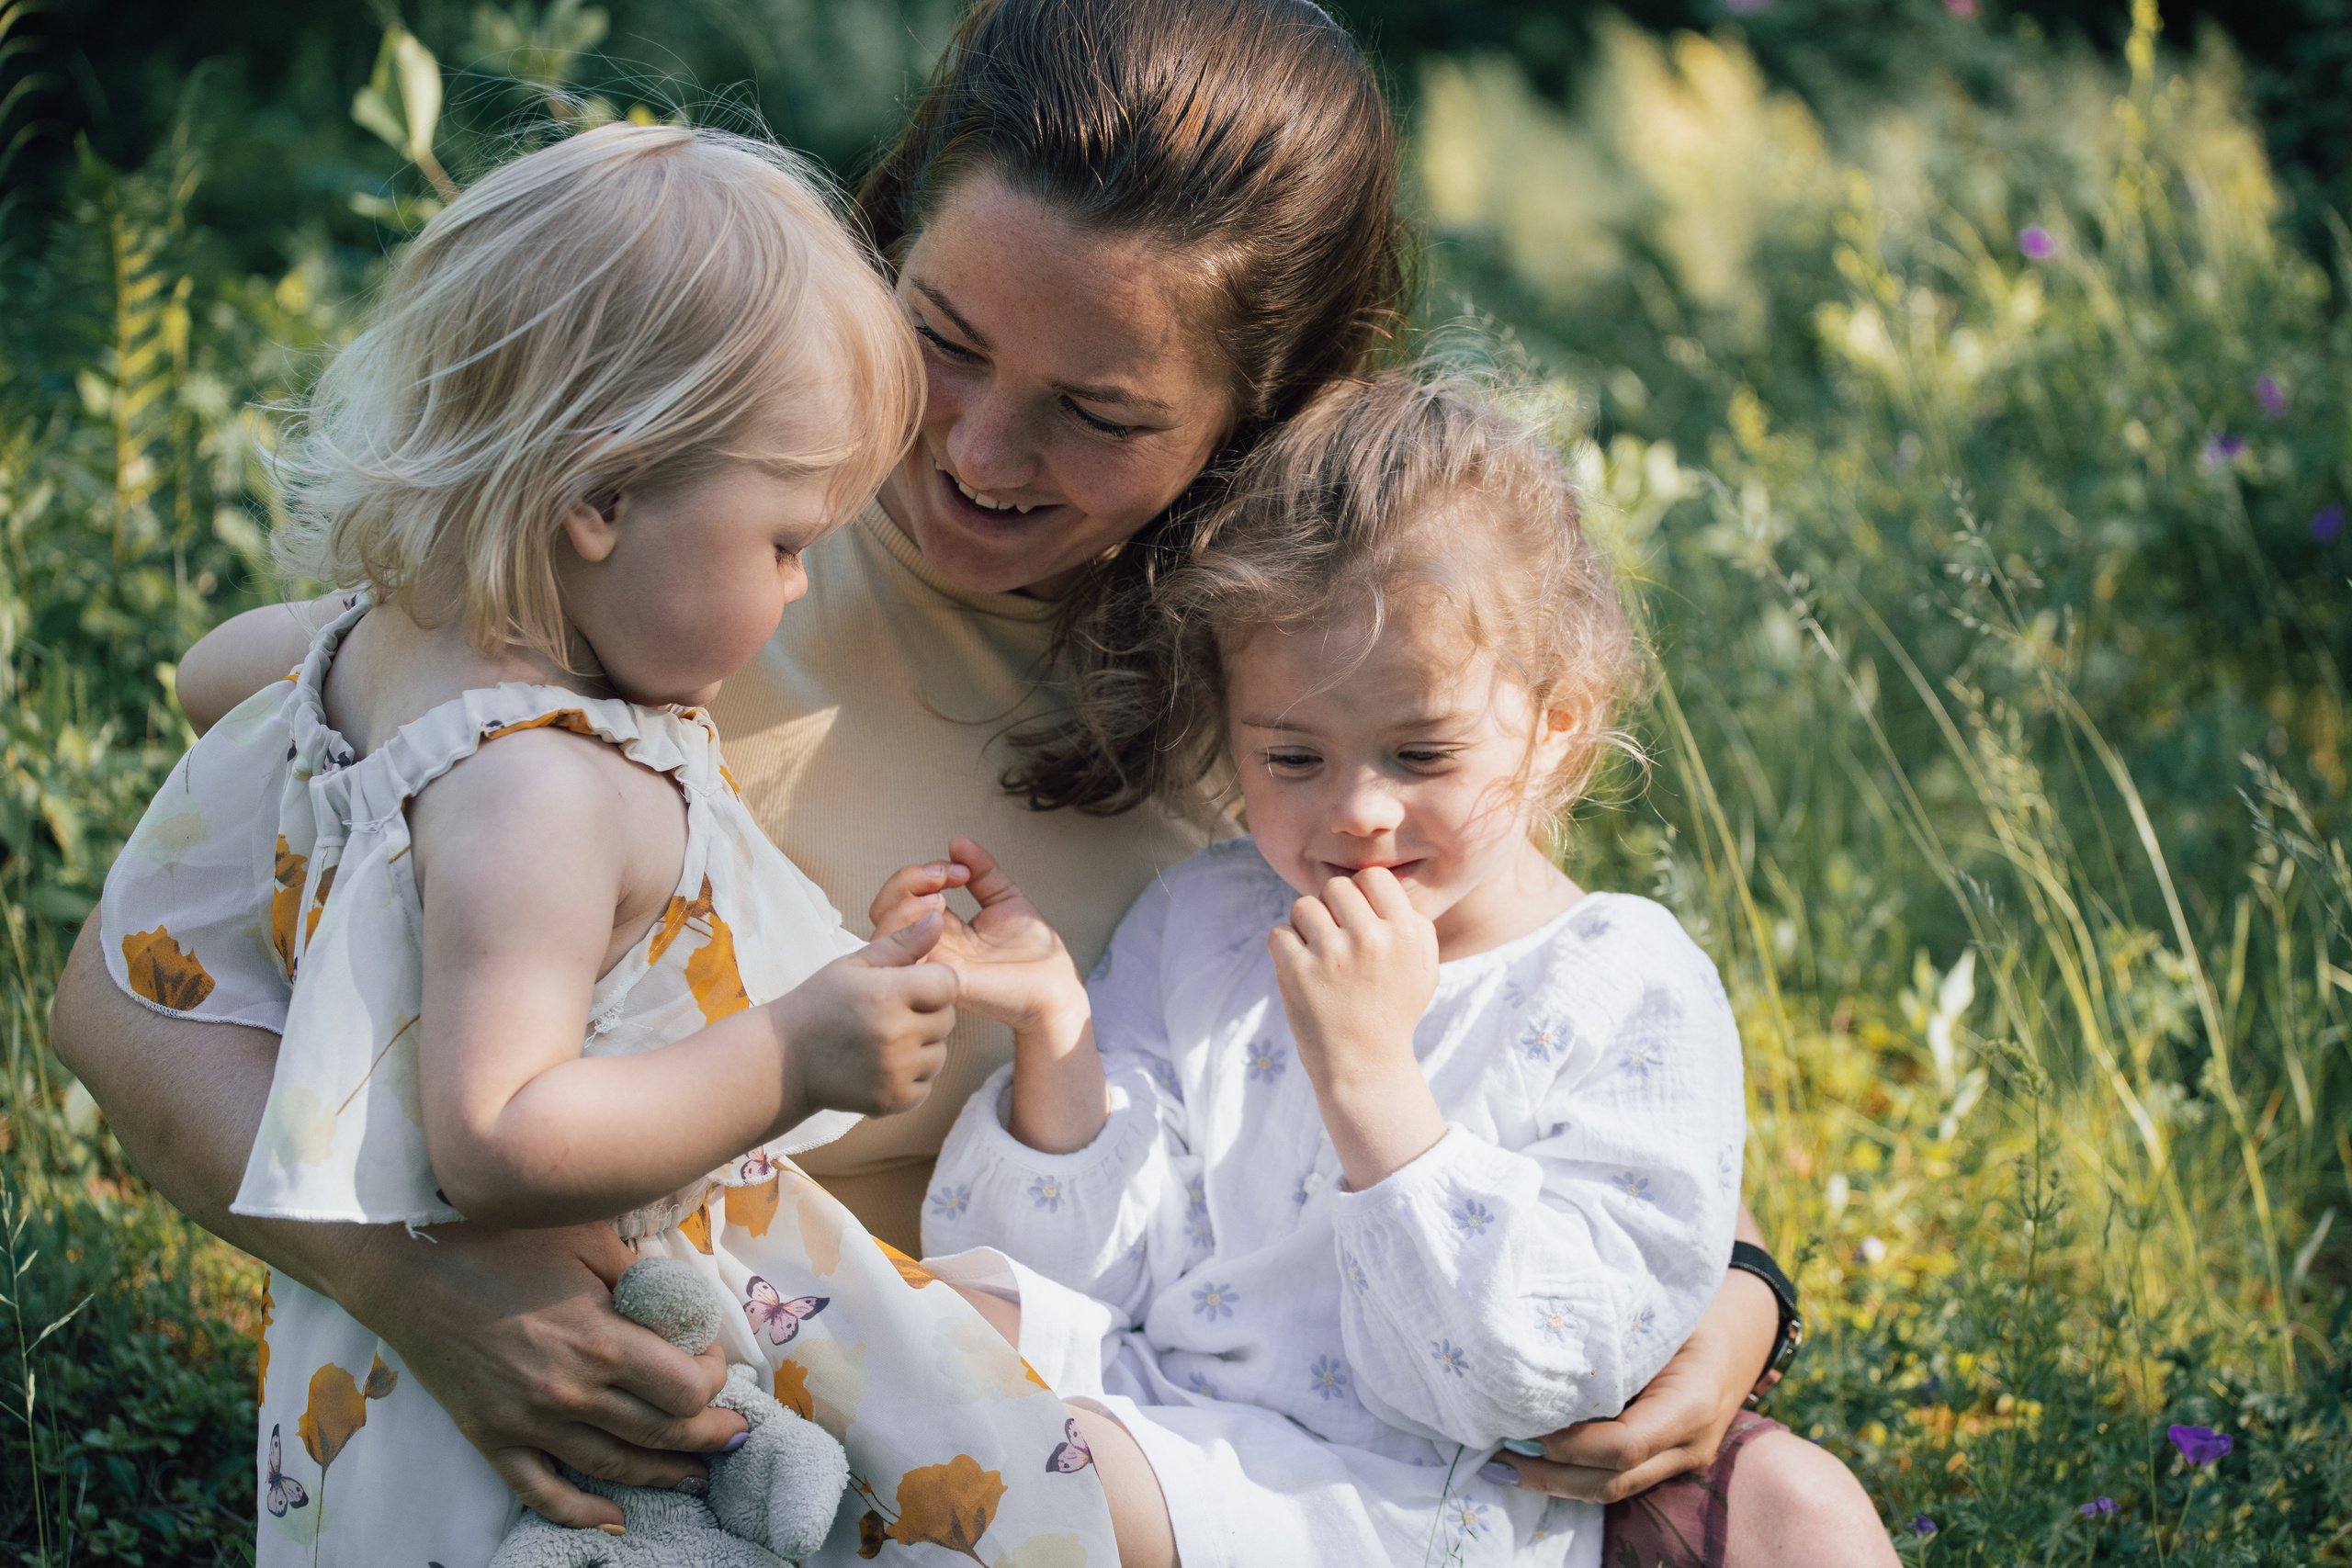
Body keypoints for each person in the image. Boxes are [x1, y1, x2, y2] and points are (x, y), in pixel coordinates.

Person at [53, 1, 1887, 1560]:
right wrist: (428, 1293)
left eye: (1099, 412)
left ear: (1254, 412)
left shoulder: (1290, 688)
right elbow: (129, 1001)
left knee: (1790, 1505)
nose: (975, 453)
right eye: (940, 339)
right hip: (804, 1415)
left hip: (1199, 1416)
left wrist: (1736, 1291)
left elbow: (1521, 1013)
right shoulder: (675, 579)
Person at [89, 120, 1143, 1566]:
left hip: (377, 1361)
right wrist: (795, 1050)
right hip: (617, 1311)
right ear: (600, 501)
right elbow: (500, 1134)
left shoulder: (370, 661)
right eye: (783, 542)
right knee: (1035, 1516)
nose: (793, 590)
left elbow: (218, 676)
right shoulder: (544, 786)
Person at [878, 374, 1741, 1566]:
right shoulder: (1212, 916)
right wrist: (1055, 1034)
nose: (1357, 812)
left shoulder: (1623, 982)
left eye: (1421, 750)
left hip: (1396, 1499)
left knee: (1030, 1453)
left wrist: (1374, 1083)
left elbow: (1553, 1373)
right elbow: (1081, 1281)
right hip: (1160, 1408)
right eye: (1293, 755)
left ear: (1559, 725)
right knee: (905, 1327)